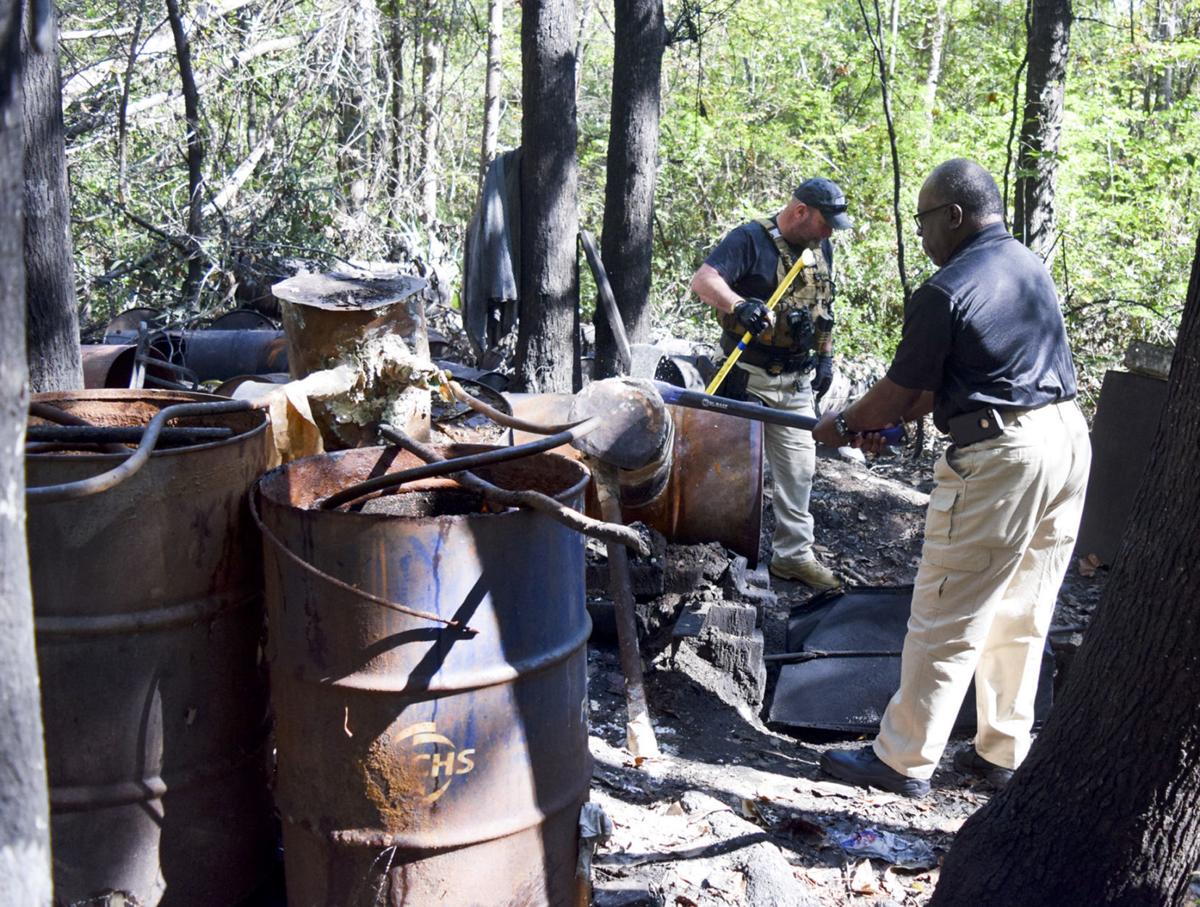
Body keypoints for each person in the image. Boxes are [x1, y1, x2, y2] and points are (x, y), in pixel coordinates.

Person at [812, 159, 1091, 797]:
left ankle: (902, 760)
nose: (922, 236)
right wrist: (879, 422)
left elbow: (900, 393)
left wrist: (843, 422)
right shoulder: (1025, 265)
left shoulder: (946, 289)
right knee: (1023, 608)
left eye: (923, 221)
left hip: (1004, 456)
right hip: (1067, 439)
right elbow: (936, 388)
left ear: (954, 216)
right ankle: (1001, 751)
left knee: (947, 607)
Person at [691, 177, 853, 591]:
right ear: (801, 211)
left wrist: (826, 355)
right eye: (825, 222)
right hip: (747, 376)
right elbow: (704, 280)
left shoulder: (820, 249)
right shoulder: (750, 239)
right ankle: (715, 554)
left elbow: (823, 309)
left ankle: (793, 556)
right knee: (733, 470)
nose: (830, 232)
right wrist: (739, 305)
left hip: (796, 381)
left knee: (799, 469)